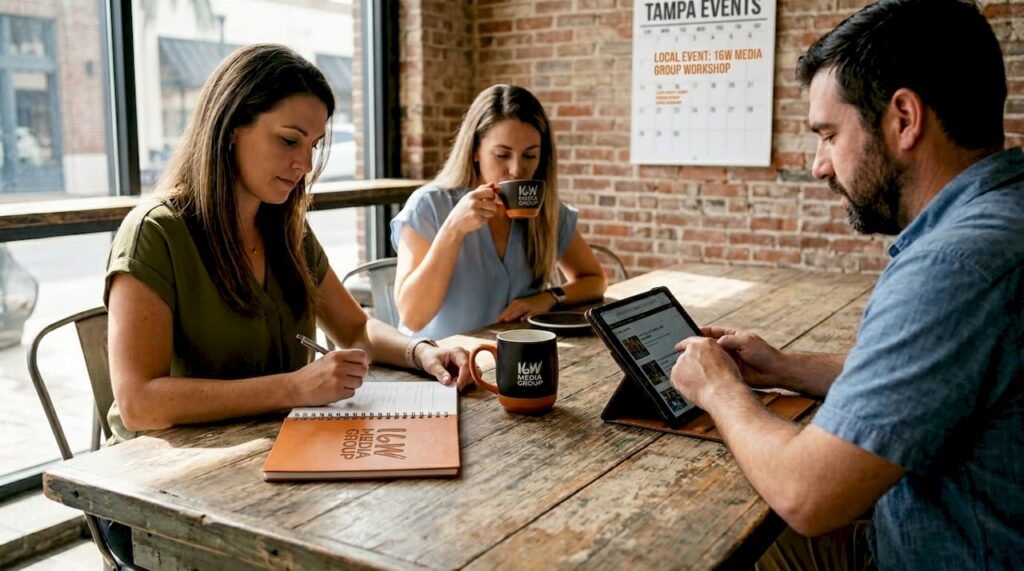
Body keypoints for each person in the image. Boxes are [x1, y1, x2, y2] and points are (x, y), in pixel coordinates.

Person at [669, 1, 1023, 569]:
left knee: (695, 543)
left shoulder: (956, 265)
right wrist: (785, 368)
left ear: (904, 118)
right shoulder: (1005, 215)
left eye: (829, 135)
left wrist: (718, 390)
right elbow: (939, 381)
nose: (820, 165)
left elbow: (807, 495)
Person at [391, 84, 608, 339]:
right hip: (439, 358)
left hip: (512, 356)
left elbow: (595, 280)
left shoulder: (545, 210)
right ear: (475, 150)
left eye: (530, 156)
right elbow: (412, 317)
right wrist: (454, 229)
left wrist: (549, 297)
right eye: (502, 155)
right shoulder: (429, 206)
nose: (516, 170)